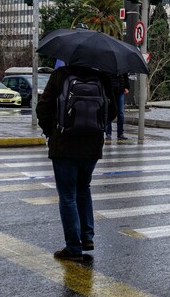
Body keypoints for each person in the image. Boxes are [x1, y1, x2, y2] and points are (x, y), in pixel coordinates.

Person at [36, 65, 116, 261]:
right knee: (83, 188)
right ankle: (87, 237)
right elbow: (111, 111)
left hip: (64, 144)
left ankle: (73, 247)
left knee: (68, 195)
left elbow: (43, 108)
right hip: (92, 146)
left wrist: (51, 132)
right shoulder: (101, 77)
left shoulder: (60, 75)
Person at [105, 73, 130, 140]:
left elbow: (125, 75)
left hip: (120, 90)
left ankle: (120, 133)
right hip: (110, 91)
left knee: (120, 113)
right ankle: (108, 133)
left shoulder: (122, 65)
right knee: (109, 112)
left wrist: (127, 87)